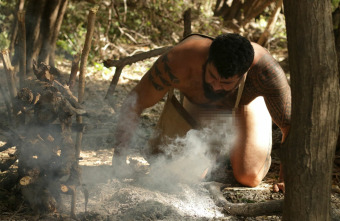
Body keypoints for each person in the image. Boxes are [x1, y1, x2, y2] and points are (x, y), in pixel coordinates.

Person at [112, 33, 291, 190]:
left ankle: (234, 151)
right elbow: (133, 104)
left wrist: (287, 179)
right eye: (212, 76)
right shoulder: (180, 60)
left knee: (248, 176)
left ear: (244, 74)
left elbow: (289, 124)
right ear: (207, 60)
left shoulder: (264, 72)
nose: (216, 86)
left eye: (226, 83)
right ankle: (221, 156)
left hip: (245, 103)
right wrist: (119, 161)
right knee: (185, 174)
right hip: (202, 105)